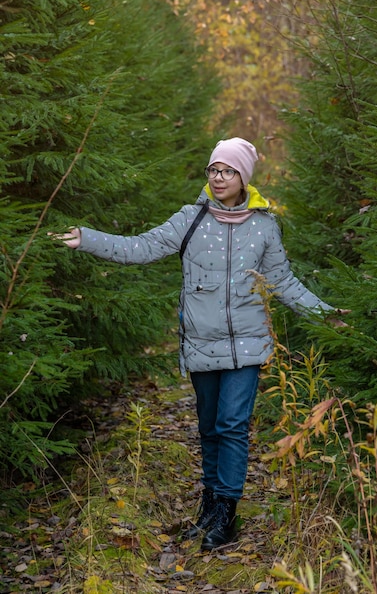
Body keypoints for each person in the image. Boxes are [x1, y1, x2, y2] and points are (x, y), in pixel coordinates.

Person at [51, 137, 348, 551]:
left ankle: (227, 513)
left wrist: (325, 314)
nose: (219, 178)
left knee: (231, 424)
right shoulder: (190, 219)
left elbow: (283, 282)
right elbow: (141, 247)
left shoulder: (264, 226)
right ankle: (208, 509)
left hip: (248, 345)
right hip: (201, 344)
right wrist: (88, 238)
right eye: (214, 170)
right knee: (209, 428)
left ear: (243, 176)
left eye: (228, 171)